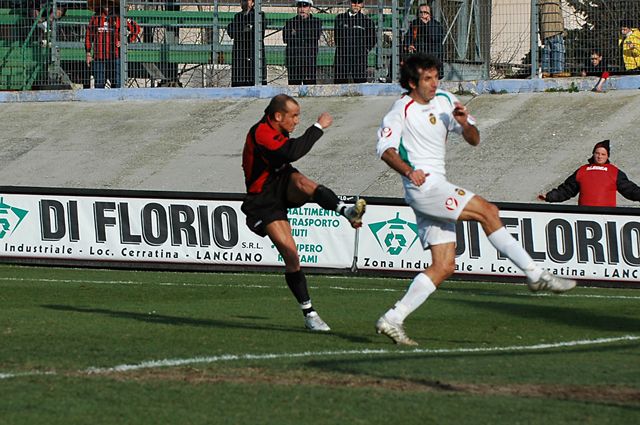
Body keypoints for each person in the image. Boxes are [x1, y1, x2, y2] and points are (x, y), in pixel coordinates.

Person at [374, 53, 576, 346]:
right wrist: (409, 171)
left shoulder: (444, 99)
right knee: (488, 211)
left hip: (436, 186)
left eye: (436, 77)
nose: (434, 83)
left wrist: (464, 123)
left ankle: (393, 318)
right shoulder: (399, 110)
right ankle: (535, 273)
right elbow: (385, 149)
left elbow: (474, 139)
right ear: (411, 83)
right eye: (427, 79)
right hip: (424, 189)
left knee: (444, 266)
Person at [241, 94, 367, 331]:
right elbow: (291, 152)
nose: (297, 121)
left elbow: (287, 157)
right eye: (294, 116)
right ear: (278, 116)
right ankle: (309, 313)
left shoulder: (274, 126)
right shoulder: (261, 133)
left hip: (281, 181)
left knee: (303, 183)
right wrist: (318, 127)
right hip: (263, 200)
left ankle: (346, 210)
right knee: (291, 255)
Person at [538, 140, 640, 207]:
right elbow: (567, 190)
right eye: (597, 153)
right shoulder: (582, 171)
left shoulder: (614, 172)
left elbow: (630, 190)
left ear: (607, 156)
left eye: (603, 154)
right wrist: (549, 196)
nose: (600, 156)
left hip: (608, 216)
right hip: (584, 216)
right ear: (593, 154)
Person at [85, 2, 141, 89]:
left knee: (117, 83)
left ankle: (117, 102)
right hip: (99, 56)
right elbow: (89, 35)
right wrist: (88, 52)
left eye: (109, 2)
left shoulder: (120, 16)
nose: (106, 4)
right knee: (99, 84)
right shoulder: (95, 17)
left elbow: (136, 28)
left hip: (116, 56)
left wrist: (125, 41)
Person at [333, 0, 376, 84]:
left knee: (360, 84)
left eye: (359, 2)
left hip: (359, 59)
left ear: (362, 4)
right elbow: (336, 37)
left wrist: (365, 50)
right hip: (342, 57)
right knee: (340, 84)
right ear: (350, 3)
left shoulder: (367, 21)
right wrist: (342, 48)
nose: (356, 5)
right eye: (353, 2)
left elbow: (372, 39)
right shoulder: (340, 18)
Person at [227, 0, 266, 87]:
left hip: (254, 54)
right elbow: (231, 31)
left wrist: (240, 30)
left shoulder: (259, 15)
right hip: (240, 56)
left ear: (253, 3)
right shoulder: (237, 16)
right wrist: (246, 28)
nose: (244, 2)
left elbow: (259, 32)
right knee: (239, 81)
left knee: (254, 81)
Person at [283, 0, 323, 85]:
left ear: (309, 8)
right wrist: (306, 34)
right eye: (300, 7)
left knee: (309, 88)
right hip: (294, 61)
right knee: (293, 88)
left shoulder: (316, 22)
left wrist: (295, 33)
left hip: (309, 61)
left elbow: (315, 36)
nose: (302, 9)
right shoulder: (290, 22)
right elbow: (286, 38)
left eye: (305, 7)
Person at [403, 3, 445, 77]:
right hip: (418, 55)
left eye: (426, 12)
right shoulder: (415, 24)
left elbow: (434, 38)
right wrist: (409, 45)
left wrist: (427, 24)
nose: (423, 14)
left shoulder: (436, 25)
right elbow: (408, 36)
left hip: (432, 56)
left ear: (430, 14)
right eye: (421, 12)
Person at [538, 0, 568, 77]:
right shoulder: (555, 2)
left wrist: (541, 33)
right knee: (558, 50)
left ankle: (545, 71)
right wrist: (562, 30)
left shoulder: (539, 2)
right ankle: (557, 70)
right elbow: (559, 16)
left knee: (547, 51)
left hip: (545, 28)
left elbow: (538, 18)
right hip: (555, 27)